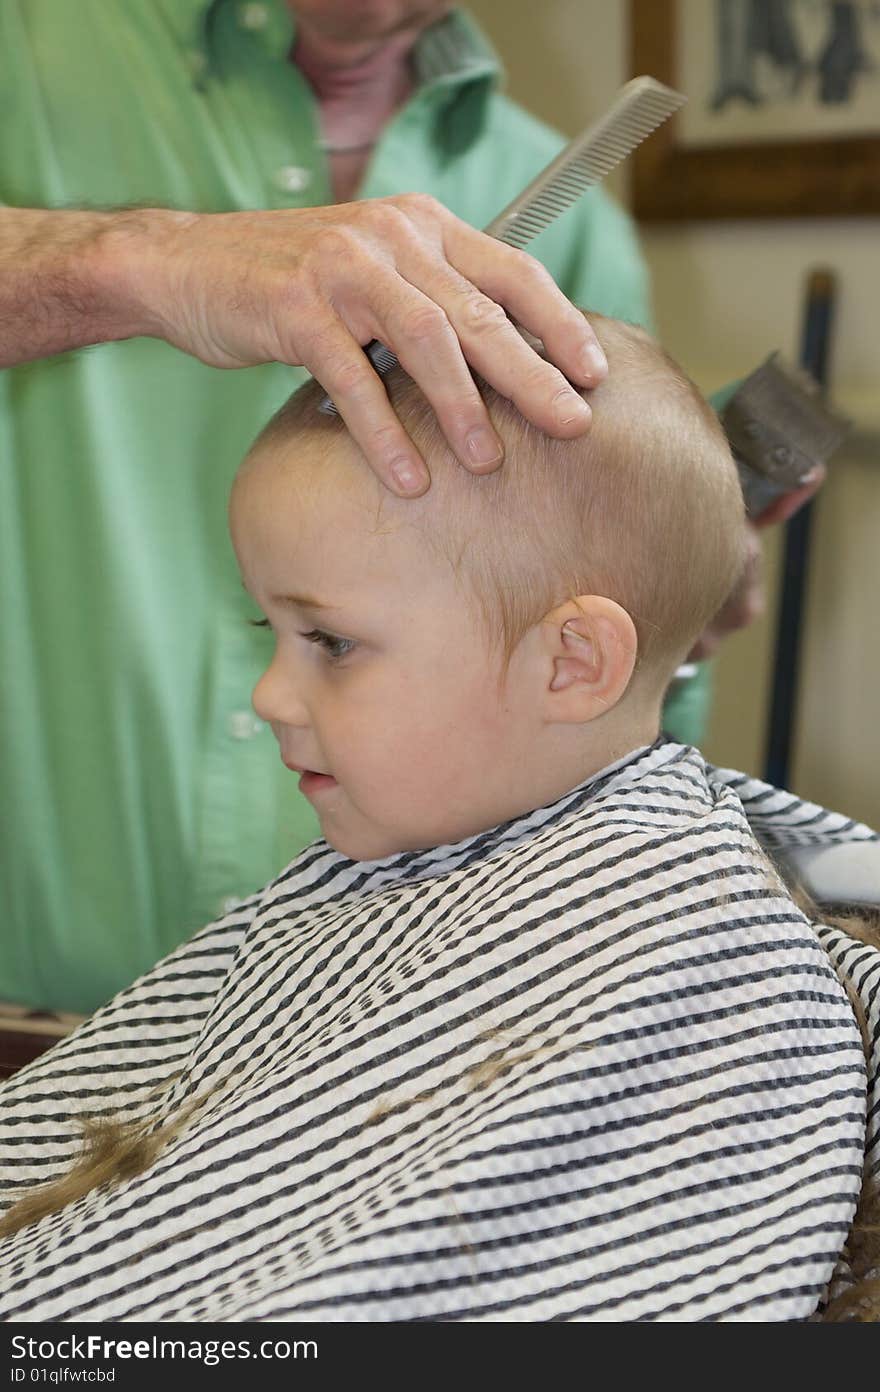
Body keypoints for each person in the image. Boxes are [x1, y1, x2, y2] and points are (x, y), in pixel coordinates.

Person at [1, 314, 876, 1321]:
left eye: (328, 641)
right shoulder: (403, 876)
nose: (272, 697)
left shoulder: (694, 955)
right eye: (268, 630)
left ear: (573, 663)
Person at [0, 0, 679, 1016]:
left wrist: (685, 587)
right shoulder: (27, 44)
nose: (277, 695)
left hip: (378, 1050)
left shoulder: (560, 215)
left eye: (329, 640)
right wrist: (127, 260)